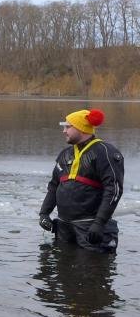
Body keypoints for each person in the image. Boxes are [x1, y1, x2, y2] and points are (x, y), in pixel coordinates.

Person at [39, 108, 124, 253]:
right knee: (63, 265)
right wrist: (44, 213)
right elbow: (54, 186)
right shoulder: (65, 154)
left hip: (91, 228)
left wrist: (99, 223)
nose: (64, 131)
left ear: (81, 128)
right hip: (64, 228)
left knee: (92, 266)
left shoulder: (105, 152)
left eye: (68, 127)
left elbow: (114, 190)